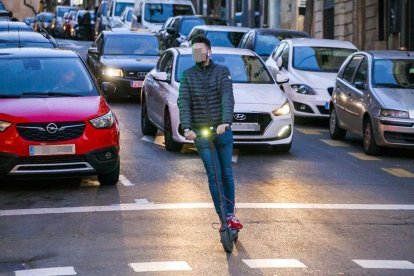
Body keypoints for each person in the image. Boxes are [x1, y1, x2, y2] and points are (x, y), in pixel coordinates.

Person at [178, 36, 243, 231]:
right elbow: (184, 102)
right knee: (213, 175)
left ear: (209, 52)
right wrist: (187, 128)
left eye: (200, 50)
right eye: (194, 51)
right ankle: (221, 215)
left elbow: (227, 96)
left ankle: (230, 214)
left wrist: (225, 121)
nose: (197, 54)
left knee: (226, 173)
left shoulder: (222, 72)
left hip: (221, 130)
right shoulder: (187, 75)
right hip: (200, 133)